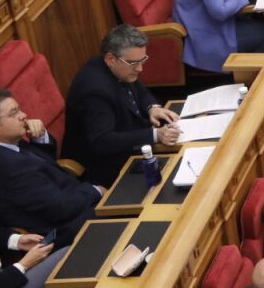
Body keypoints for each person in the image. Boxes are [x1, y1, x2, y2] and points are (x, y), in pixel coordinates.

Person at [0, 89, 104, 241]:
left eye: (19, 110)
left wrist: (40, 137)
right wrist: (96, 191)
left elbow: (44, 165)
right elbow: (60, 208)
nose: (23, 115)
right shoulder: (9, 167)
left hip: (68, 198)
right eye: (14, 113)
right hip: (62, 229)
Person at [62, 25, 183, 188]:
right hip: (109, 167)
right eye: (134, 63)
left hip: (133, 141)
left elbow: (138, 88)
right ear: (111, 59)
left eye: (143, 60)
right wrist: (155, 135)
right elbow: (103, 141)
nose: (140, 68)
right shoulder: (94, 92)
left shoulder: (120, 68)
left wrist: (152, 107)